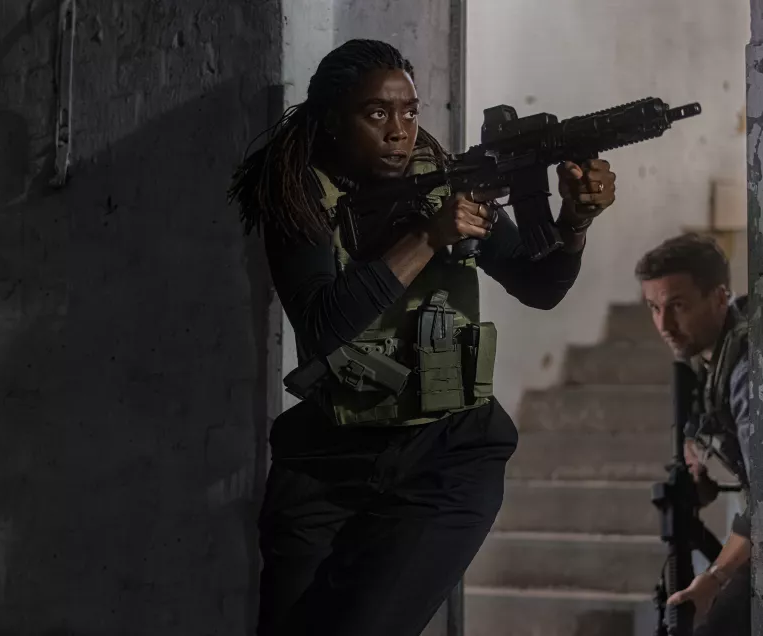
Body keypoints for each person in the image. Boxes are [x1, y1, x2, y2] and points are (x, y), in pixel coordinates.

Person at [229, 39, 617, 636]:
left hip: (447, 453)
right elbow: (323, 323)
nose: (398, 131)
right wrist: (429, 239)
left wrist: (574, 223)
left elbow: (540, 285)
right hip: (329, 455)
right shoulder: (302, 194)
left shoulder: (446, 185)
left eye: (409, 112)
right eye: (377, 113)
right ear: (333, 120)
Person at [635, 233, 750, 636]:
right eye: (654, 308)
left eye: (678, 306)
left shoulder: (748, 373)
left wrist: (715, 579)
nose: (664, 325)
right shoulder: (714, 354)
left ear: (719, 297)